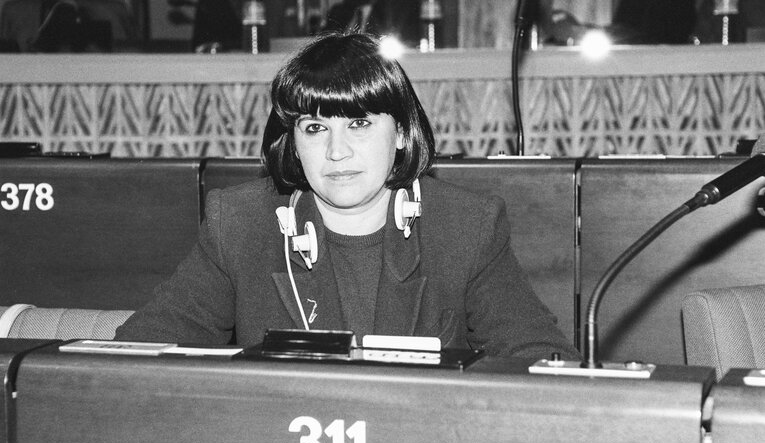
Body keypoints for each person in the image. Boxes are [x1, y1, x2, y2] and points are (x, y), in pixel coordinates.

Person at [115, 31, 580, 362]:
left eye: (359, 124)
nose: (337, 151)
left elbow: (537, 355)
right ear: (293, 141)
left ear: (400, 132)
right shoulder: (239, 222)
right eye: (315, 128)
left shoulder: (466, 224)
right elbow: (138, 351)